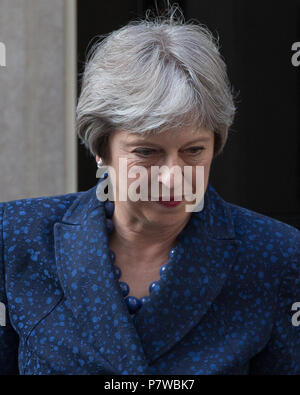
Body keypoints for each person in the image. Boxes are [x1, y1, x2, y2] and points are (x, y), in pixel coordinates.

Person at [1, 6, 300, 375]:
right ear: (101, 149)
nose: (173, 176)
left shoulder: (277, 256)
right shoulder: (15, 237)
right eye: (146, 151)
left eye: (193, 150)